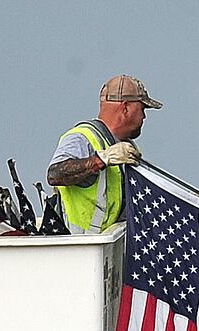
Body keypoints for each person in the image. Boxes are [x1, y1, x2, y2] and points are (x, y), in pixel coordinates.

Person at [46, 74, 161, 235]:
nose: (144, 116)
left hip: (103, 251)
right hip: (76, 249)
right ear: (126, 107)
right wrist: (101, 159)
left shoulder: (122, 148)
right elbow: (55, 174)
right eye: (142, 109)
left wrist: (197, 199)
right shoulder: (82, 138)